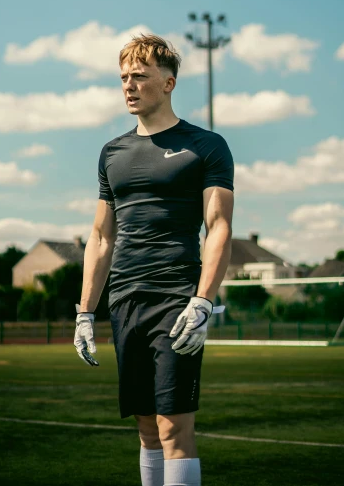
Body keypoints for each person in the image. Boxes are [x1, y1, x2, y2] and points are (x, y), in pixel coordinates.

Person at [74, 34, 234, 486]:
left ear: (168, 82)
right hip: (126, 300)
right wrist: (86, 311)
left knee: (173, 425)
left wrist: (203, 300)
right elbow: (102, 236)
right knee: (146, 426)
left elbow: (218, 226)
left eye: (139, 76)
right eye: (124, 77)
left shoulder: (206, 145)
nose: (128, 85)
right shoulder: (112, 153)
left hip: (177, 298)